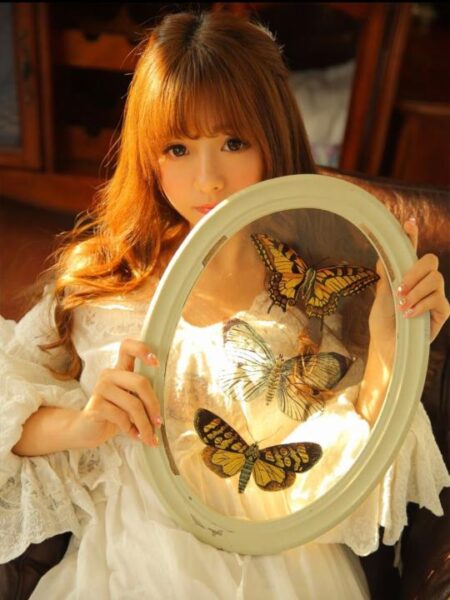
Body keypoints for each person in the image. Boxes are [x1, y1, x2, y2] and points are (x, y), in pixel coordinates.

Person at [1, 10, 449, 600]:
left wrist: (394, 337)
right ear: (149, 156)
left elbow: (350, 464)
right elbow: (10, 406)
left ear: (271, 140)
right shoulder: (103, 279)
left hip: (285, 568)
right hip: (129, 565)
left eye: (233, 142)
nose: (208, 179)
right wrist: (84, 423)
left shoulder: (311, 280)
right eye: (178, 148)